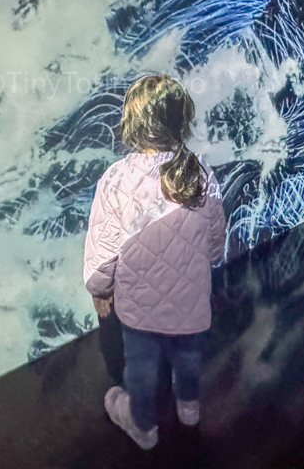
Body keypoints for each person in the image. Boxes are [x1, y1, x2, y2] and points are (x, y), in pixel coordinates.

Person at [83, 74, 226, 449]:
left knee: (142, 371)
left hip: (140, 311)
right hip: (193, 300)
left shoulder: (115, 179)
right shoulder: (201, 172)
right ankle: (189, 409)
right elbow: (215, 241)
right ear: (182, 121)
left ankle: (143, 428)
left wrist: (100, 288)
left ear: (132, 123)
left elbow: (103, 252)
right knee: (190, 359)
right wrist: (205, 258)